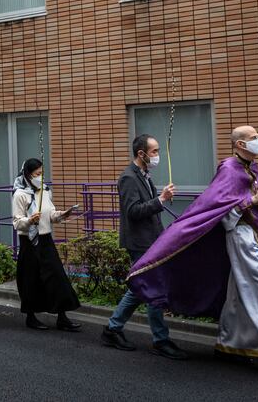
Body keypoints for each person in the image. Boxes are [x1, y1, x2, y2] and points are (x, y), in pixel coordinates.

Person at [128, 126, 258, 380]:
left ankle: (229, 343)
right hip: (243, 239)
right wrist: (251, 201)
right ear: (240, 145)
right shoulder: (229, 170)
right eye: (254, 138)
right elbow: (222, 213)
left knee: (238, 293)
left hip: (255, 237)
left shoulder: (251, 168)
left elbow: (248, 196)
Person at [100, 135, 186, 358]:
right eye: (155, 151)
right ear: (141, 154)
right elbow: (133, 212)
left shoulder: (144, 175)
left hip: (151, 239)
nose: (157, 156)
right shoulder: (128, 177)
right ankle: (160, 339)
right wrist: (161, 200)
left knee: (140, 288)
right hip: (139, 242)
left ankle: (113, 328)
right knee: (152, 287)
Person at [12, 158, 81, 332]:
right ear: (28, 175)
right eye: (37, 174)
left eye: (42, 173)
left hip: (45, 239)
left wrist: (62, 214)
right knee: (31, 279)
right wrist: (29, 220)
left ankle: (62, 317)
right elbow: (16, 222)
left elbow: (50, 215)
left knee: (57, 276)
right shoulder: (20, 194)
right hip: (29, 242)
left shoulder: (45, 191)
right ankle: (31, 317)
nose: (40, 177)